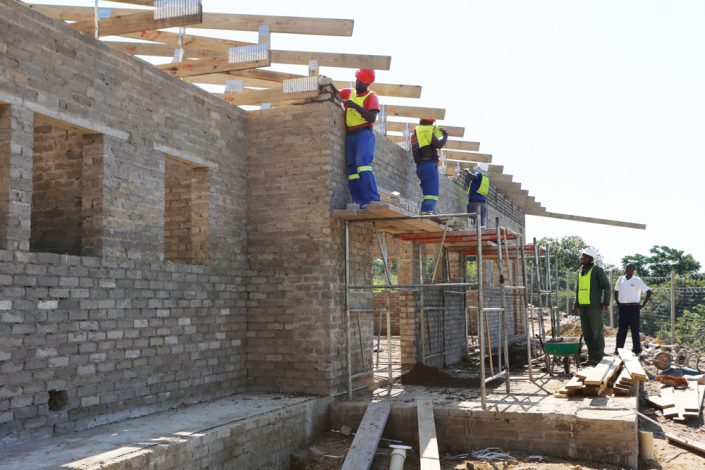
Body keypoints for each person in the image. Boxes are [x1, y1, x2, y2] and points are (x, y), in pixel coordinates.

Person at [339, 69, 381, 209]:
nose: (357, 82)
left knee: (362, 164)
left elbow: (372, 117)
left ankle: (373, 199)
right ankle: (359, 202)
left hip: (364, 133)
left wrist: (355, 106)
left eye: (361, 81)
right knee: (352, 169)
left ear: (367, 83)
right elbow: (334, 92)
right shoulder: (349, 92)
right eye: (357, 79)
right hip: (351, 135)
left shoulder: (371, 97)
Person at [571, 246, 611, 365]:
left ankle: (598, 357)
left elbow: (607, 286)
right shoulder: (581, 271)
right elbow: (578, 290)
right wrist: (575, 305)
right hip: (583, 307)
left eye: (584, 256)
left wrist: (606, 302)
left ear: (591, 258)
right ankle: (591, 357)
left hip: (594, 307)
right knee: (587, 333)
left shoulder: (597, 270)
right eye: (582, 256)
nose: (582, 258)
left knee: (596, 332)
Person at [613, 263, 652, 356]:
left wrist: (643, 304)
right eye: (627, 268)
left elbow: (649, 291)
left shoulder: (637, 280)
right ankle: (618, 350)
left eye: (630, 268)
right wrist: (618, 302)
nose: (628, 270)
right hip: (622, 308)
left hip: (634, 308)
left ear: (633, 270)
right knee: (621, 330)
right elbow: (616, 291)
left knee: (635, 330)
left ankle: (637, 350)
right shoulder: (620, 279)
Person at [410, 118, 448, 214]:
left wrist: (437, 130)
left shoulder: (416, 132)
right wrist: (445, 136)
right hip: (429, 165)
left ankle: (426, 211)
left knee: (427, 192)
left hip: (420, 166)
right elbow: (439, 144)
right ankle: (428, 211)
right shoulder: (426, 130)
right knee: (431, 193)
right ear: (429, 123)